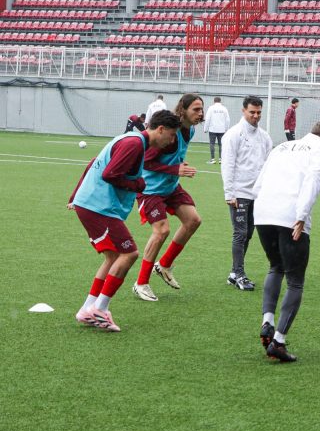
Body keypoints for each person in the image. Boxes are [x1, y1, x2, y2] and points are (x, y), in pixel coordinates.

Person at [68, 110, 181, 332]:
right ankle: (100, 309)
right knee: (129, 254)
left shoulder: (133, 140)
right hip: (98, 206)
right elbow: (109, 174)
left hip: (93, 204)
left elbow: (94, 162)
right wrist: (137, 185)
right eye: (172, 135)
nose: (172, 141)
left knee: (113, 257)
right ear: (160, 129)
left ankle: (87, 309)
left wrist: (75, 196)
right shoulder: (135, 144)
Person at [253, 121, 320, 362]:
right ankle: (278, 342)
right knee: (295, 282)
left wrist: (260, 210)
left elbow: (259, 183)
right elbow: (313, 180)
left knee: (275, 266)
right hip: (290, 215)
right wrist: (301, 216)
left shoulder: (282, 147)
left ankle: (267, 322)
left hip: (262, 213)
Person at [132, 93, 204, 302]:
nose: (200, 113)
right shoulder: (171, 134)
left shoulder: (189, 130)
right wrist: (175, 169)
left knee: (193, 220)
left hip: (170, 186)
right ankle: (141, 283)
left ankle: (164, 265)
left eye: (202, 109)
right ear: (183, 110)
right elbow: (145, 162)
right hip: (150, 189)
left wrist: (176, 167)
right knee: (162, 230)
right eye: (196, 109)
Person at [221, 95, 273, 292]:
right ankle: (240, 274)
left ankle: (234, 273)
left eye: (259, 112)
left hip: (257, 194)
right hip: (239, 192)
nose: (256, 116)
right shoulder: (233, 134)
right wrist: (229, 193)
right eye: (252, 112)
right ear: (243, 111)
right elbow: (227, 165)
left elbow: (267, 165)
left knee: (249, 233)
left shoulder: (264, 136)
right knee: (240, 233)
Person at [204, 96, 231, 164]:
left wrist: (205, 128)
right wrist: (226, 129)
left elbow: (207, 119)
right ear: (220, 101)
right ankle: (221, 159)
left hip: (212, 129)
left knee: (212, 144)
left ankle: (212, 159)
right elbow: (227, 119)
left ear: (214, 101)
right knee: (221, 145)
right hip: (222, 130)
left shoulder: (211, 108)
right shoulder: (224, 108)